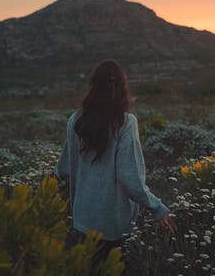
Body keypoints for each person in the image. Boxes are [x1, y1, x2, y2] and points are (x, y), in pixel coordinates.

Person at [54, 59, 176, 261]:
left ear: (93, 86)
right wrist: (158, 208)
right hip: (114, 225)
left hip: (83, 220)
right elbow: (131, 179)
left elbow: (64, 167)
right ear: (121, 87)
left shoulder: (76, 120)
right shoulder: (125, 123)